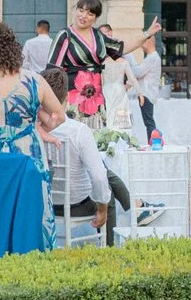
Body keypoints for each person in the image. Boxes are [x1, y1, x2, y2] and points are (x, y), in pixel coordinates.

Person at [34, 73, 132, 242]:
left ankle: (134, 205)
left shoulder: (30, 129)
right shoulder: (78, 131)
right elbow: (99, 179)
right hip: (76, 204)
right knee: (107, 194)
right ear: (66, 98)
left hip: (42, 203)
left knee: (104, 175)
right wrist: (102, 208)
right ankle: (109, 249)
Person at [0, 16, 65, 145]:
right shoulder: (35, 80)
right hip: (26, 153)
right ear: (11, 46)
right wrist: (33, 132)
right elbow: (60, 117)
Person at [48, 0, 121, 103]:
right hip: (73, 94)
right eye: (81, 10)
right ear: (75, 10)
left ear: (95, 18)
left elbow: (118, 48)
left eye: (90, 14)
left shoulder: (98, 35)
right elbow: (53, 70)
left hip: (97, 94)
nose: (83, 16)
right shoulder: (65, 35)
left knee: (97, 119)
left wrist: (146, 34)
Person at [123, 25, 164, 145]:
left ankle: (154, 143)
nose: (140, 45)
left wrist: (129, 58)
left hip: (146, 94)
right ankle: (153, 142)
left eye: (142, 42)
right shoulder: (152, 58)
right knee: (149, 120)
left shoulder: (152, 58)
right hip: (147, 93)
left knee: (148, 122)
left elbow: (137, 73)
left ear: (148, 42)